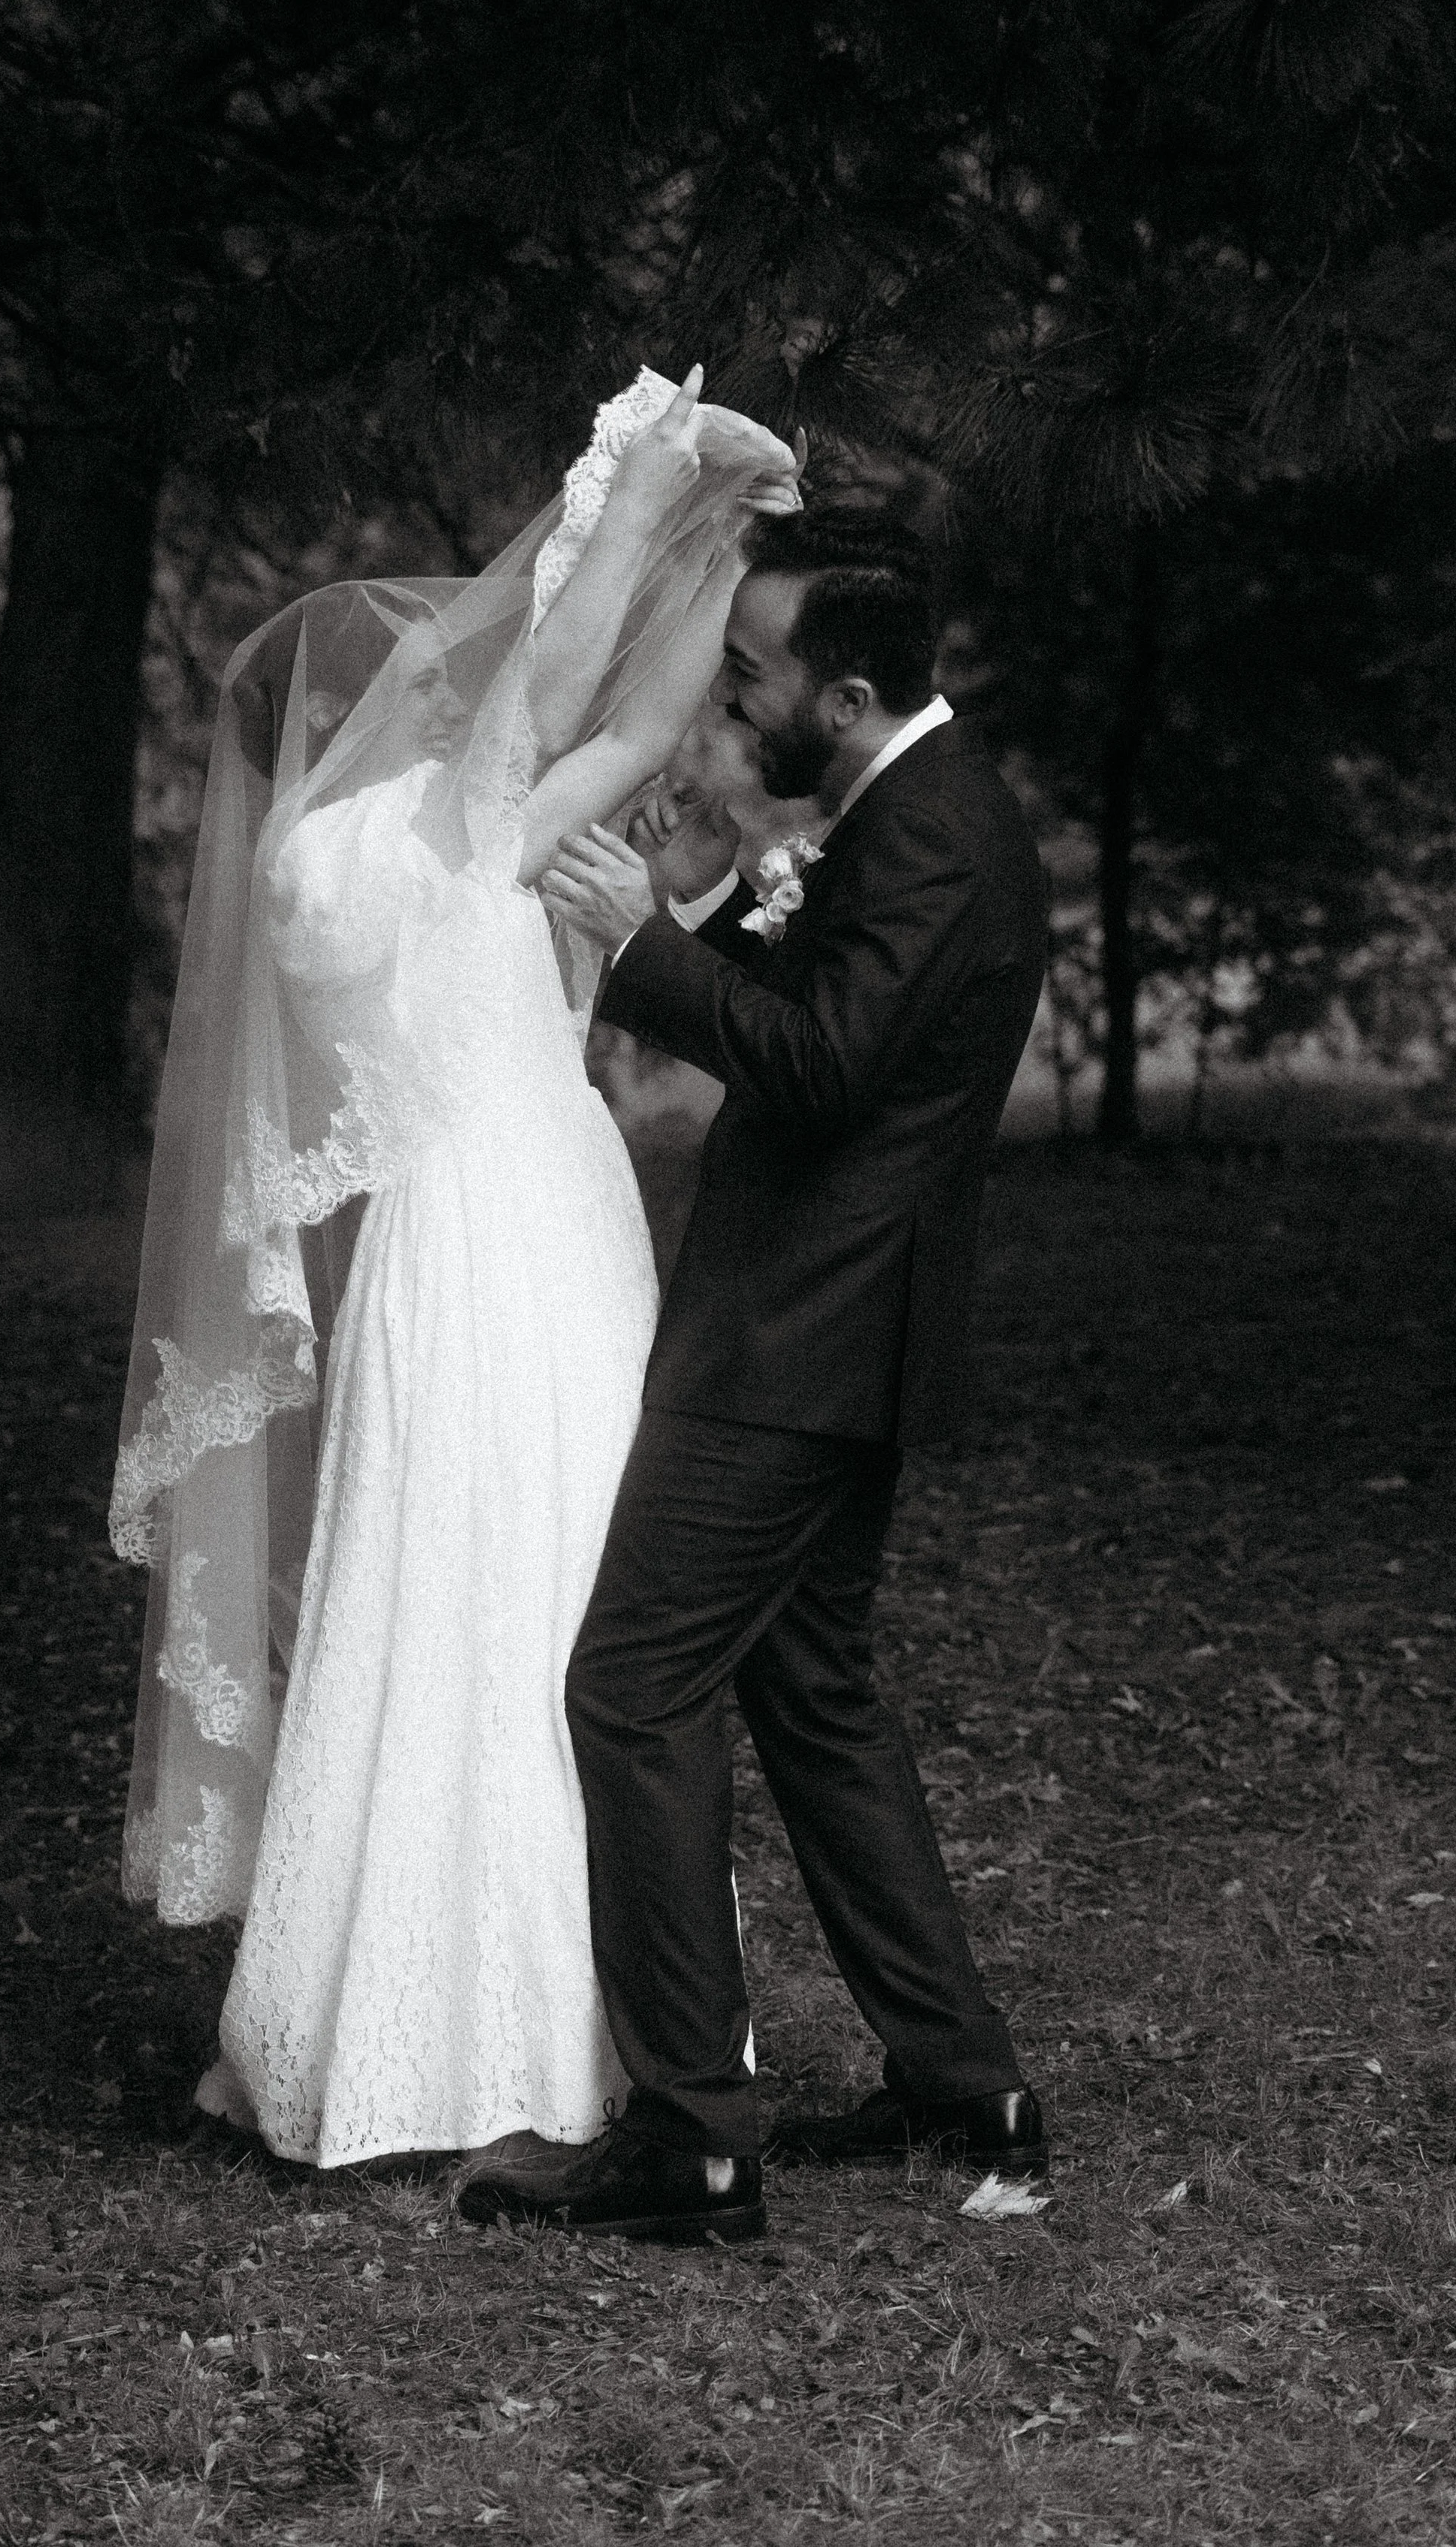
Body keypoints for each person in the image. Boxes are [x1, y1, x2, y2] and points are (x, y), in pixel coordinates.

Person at [108, 367, 801, 2166]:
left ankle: (500, 2010)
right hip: (507, 1241)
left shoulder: (390, 844)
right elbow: (578, 689)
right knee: (524, 1592)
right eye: (397, 677)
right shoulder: (375, 847)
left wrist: (712, 531)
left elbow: (615, 716)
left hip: (510, 1236)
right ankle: (511, 2029)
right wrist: (658, 488)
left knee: (521, 1584)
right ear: (333, 726)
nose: (436, 677)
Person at [461, 507, 1051, 2243]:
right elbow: (814, 1013)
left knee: (631, 1690)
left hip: (794, 1344)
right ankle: (962, 2082)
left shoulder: (932, 838)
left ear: (846, 695)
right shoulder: (906, 809)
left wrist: (643, 945)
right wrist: (700, 917)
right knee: (811, 1696)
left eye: (749, 673)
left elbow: (811, 1067)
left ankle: (694, 2142)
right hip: (831, 1331)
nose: (726, 696)